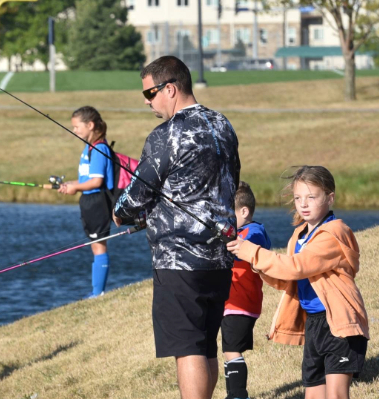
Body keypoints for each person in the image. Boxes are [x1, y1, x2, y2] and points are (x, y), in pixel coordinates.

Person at [112, 55, 241, 399]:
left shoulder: (166, 134)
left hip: (179, 261)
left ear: (170, 88)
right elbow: (228, 182)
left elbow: (138, 194)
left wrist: (121, 212)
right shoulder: (223, 124)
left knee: (189, 347)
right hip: (221, 255)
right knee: (205, 344)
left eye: (150, 93)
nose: (147, 101)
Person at [228, 166, 368, 399]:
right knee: (312, 395)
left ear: (330, 198)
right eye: (298, 198)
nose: (303, 204)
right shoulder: (299, 236)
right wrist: (255, 262)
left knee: (336, 395)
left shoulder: (333, 234)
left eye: (311, 197)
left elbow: (298, 266)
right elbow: (287, 278)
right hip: (314, 324)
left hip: (341, 323)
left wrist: (252, 252)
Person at [55, 106, 116, 298]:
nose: (74, 131)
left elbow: (97, 181)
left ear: (90, 125)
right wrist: (71, 184)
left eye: (76, 127)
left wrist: (76, 188)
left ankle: (98, 292)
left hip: (98, 202)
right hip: (89, 201)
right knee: (95, 245)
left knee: (99, 245)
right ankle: (96, 290)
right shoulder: (89, 148)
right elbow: (86, 180)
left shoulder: (99, 149)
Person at [221, 181, 271, 399]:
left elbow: (247, 244)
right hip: (230, 303)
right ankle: (233, 394)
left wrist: (230, 241)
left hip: (241, 303)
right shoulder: (238, 231)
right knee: (227, 351)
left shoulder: (254, 232)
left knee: (232, 350)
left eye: (228, 213)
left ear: (244, 211)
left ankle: (239, 395)